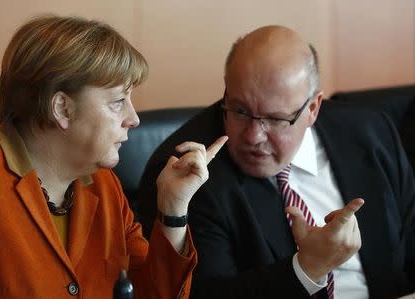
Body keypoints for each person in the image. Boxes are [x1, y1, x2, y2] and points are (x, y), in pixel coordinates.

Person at [138, 25, 415, 298]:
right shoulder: (186, 174)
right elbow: (206, 294)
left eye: (275, 119)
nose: (254, 136)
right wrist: (308, 268)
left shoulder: (371, 133)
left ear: (312, 109)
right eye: (240, 110)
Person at [0, 15, 227, 298]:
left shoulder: (105, 185)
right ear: (62, 108)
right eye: (118, 102)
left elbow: (150, 294)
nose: (134, 118)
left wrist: (173, 210)